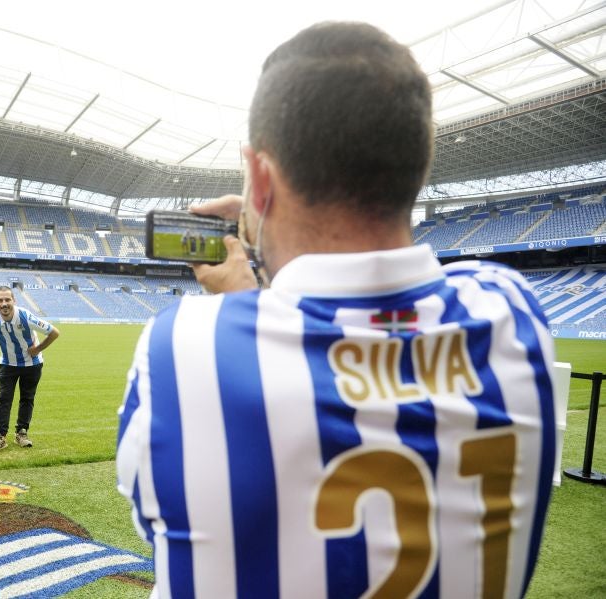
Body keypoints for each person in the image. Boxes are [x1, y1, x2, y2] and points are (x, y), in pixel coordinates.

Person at [116, 21, 556, 598]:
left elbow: (166, 529)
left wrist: (254, 262)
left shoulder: (180, 346)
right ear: (417, 166)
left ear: (259, 177)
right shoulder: (511, 310)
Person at [0, 286, 60, 451]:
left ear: (14, 301)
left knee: (27, 398)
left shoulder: (25, 316)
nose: (4, 304)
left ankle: (22, 433)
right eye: (0, 300)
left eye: (7, 299)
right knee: (4, 399)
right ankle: (0, 437)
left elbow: (54, 333)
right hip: (8, 364)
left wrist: (38, 349)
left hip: (32, 363)